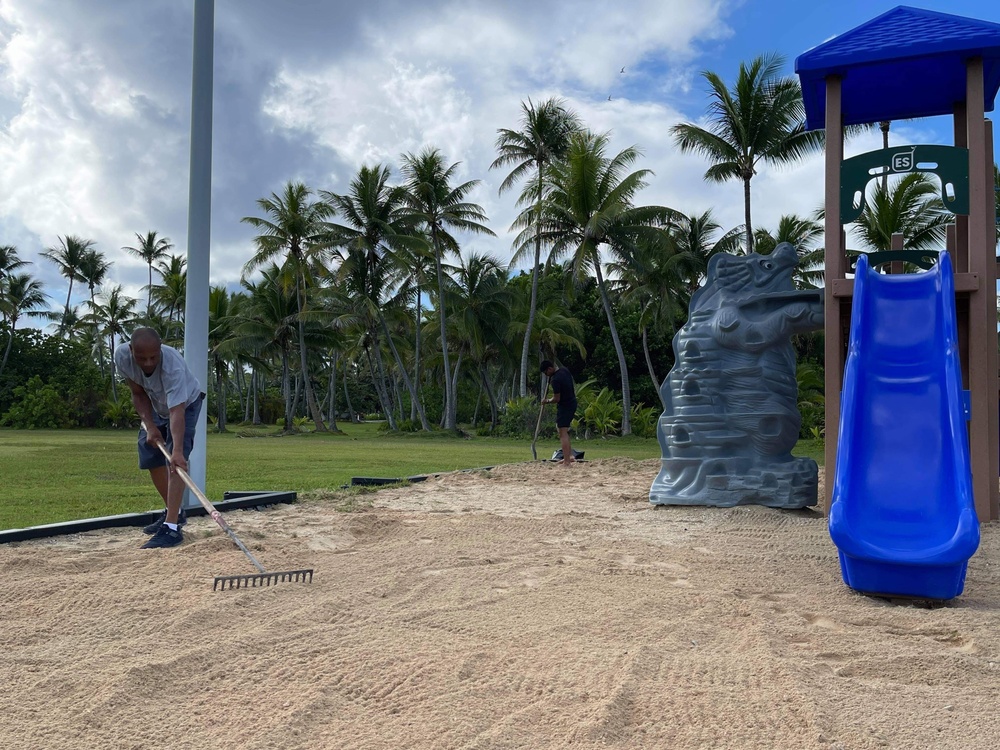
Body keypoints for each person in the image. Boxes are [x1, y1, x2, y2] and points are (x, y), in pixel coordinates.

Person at [114, 327, 204, 549]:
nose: (147, 362)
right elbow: (137, 393)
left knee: (175, 462)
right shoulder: (121, 356)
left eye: (153, 357)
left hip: (185, 405)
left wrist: (177, 452)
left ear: (160, 349)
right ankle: (175, 513)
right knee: (150, 456)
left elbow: (176, 411)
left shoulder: (172, 365)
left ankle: (171, 529)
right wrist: (151, 425)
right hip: (154, 405)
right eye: (141, 357)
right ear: (130, 350)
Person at [540, 360, 577, 466]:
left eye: (545, 373)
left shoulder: (555, 380)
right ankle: (569, 456)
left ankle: (567, 461)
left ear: (550, 369)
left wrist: (546, 401)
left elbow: (556, 398)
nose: (546, 375)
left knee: (562, 432)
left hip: (565, 406)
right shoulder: (564, 370)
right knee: (561, 429)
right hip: (572, 402)